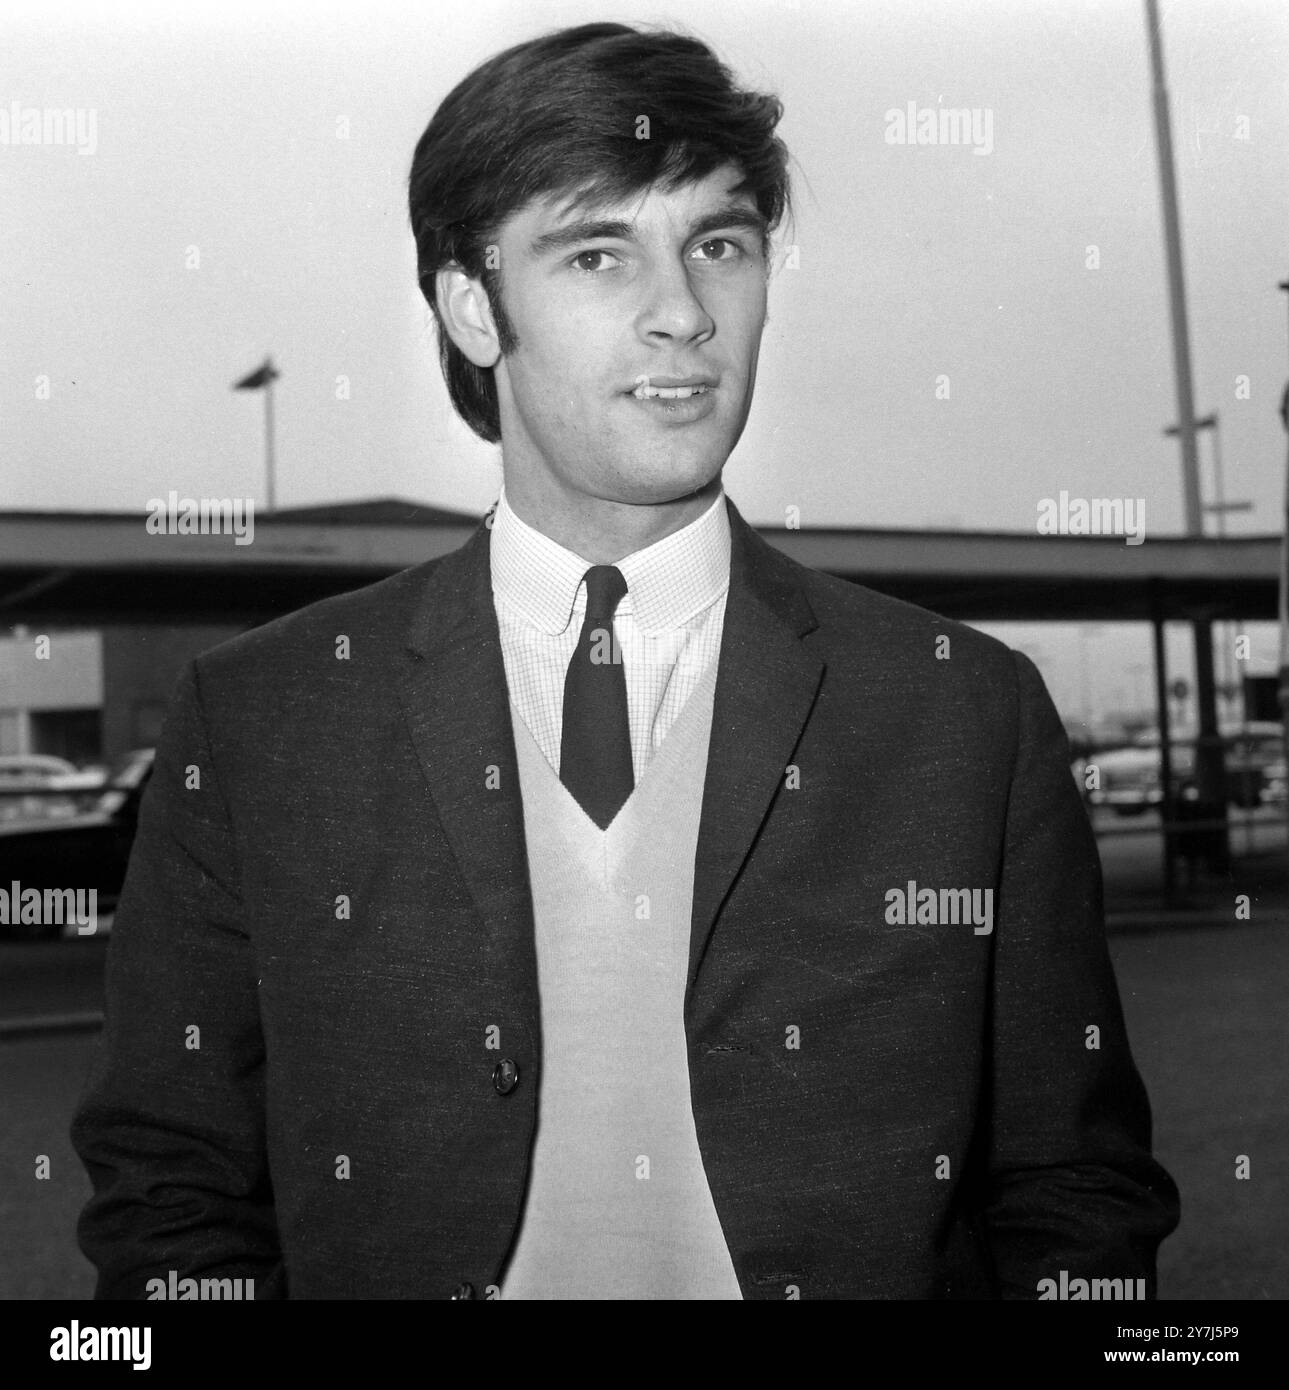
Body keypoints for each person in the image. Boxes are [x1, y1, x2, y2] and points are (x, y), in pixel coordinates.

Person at [72, 20, 1179, 1300]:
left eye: (717, 244)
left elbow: (1074, 1191)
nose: (682, 314)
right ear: (473, 307)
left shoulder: (964, 713)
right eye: (597, 252)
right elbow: (170, 1185)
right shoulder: (262, 716)